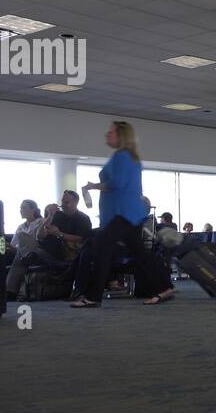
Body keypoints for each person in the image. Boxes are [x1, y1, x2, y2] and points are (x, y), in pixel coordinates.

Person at [71, 121, 174, 307]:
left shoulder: (122, 156)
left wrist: (93, 186)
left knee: (102, 249)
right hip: (126, 214)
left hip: (123, 214)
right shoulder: (127, 157)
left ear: (121, 135)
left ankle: (93, 297)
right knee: (141, 253)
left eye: (110, 132)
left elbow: (116, 184)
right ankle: (165, 287)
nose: (106, 135)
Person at [4, 199, 50, 300]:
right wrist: (7, 246)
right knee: (14, 249)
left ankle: (10, 291)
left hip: (37, 252)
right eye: (20, 208)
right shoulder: (20, 227)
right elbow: (13, 246)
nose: (21, 211)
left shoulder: (41, 222)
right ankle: (8, 292)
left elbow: (42, 240)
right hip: (22, 254)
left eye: (23, 208)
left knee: (22, 237)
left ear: (33, 210)